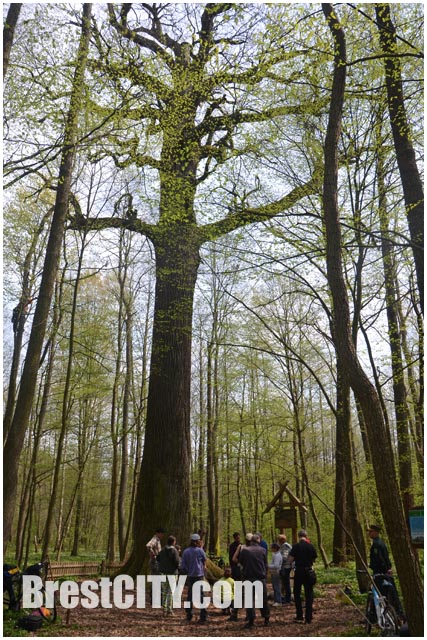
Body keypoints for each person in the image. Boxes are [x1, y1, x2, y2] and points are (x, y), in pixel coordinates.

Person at [367, 524, 404, 618]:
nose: (369, 533)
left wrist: (383, 569)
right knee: (384, 594)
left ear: (376, 532)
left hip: (380, 573)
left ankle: (377, 616)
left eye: (371, 531)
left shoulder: (377, 544)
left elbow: (380, 559)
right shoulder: (379, 542)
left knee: (380, 594)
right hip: (383, 572)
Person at [239, 533, 270, 629]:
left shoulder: (245, 551)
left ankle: (251, 620)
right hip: (260, 578)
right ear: (258, 542)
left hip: (248, 577)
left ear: (251, 541)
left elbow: (241, 562)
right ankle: (266, 619)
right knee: (263, 599)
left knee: (249, 600)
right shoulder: (263, 550)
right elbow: (266, 564)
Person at [288, 529, 317, 624]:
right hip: (308, 571)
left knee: (297, 593)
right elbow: (314, 559)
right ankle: (309, 617)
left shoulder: (296, 546)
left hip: (299, 571)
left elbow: (290, 560)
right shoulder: (310, 546)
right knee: (309, 593)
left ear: (298, 536)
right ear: (306, 536)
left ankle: (299, 615)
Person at [180, 533, 208, 624]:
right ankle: (203, 616)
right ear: (197, 541)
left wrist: (188, 570)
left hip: (191, 576)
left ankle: (189, 615)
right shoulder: (200, 551)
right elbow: (205, 560)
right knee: (200, 596)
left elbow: (183, 566)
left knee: (190, 596)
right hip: (199, 576)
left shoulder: (186, 551)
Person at [157, 535, 180, 616]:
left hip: (163, 573)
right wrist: (177, 568)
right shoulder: (174, 551)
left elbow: (158, 558)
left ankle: (164, 609)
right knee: (171, 592)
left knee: (164, 591)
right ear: (174, 542)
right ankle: (169, 610)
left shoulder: (162, 550)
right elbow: (177, 562)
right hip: (172, 573)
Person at [278, 533, 292, 604]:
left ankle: (288, 599)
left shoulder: (285, 546)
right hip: (285, 566)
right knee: (284, 582)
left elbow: (284, 557)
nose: (278, 541)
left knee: (286, 583)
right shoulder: (283, 546)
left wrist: (278, 561)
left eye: (279, 540)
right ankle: (285, 598)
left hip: (286, 567)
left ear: (282, 540)